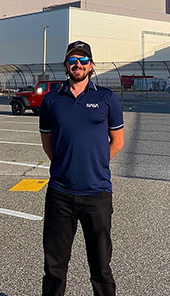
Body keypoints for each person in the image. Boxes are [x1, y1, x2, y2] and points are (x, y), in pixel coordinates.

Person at [39, 40, 124, 296]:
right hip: (60, 194)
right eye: (73, 60)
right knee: (54, 268)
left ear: (91, 65)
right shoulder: (52, 101)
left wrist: (95, 164)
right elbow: (48, 142)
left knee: (101, 267)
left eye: (84, 60)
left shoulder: (106, 98)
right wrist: (66, 165)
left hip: (97, 194)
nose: (78, 64)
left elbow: (117, 141)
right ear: (66, 65)